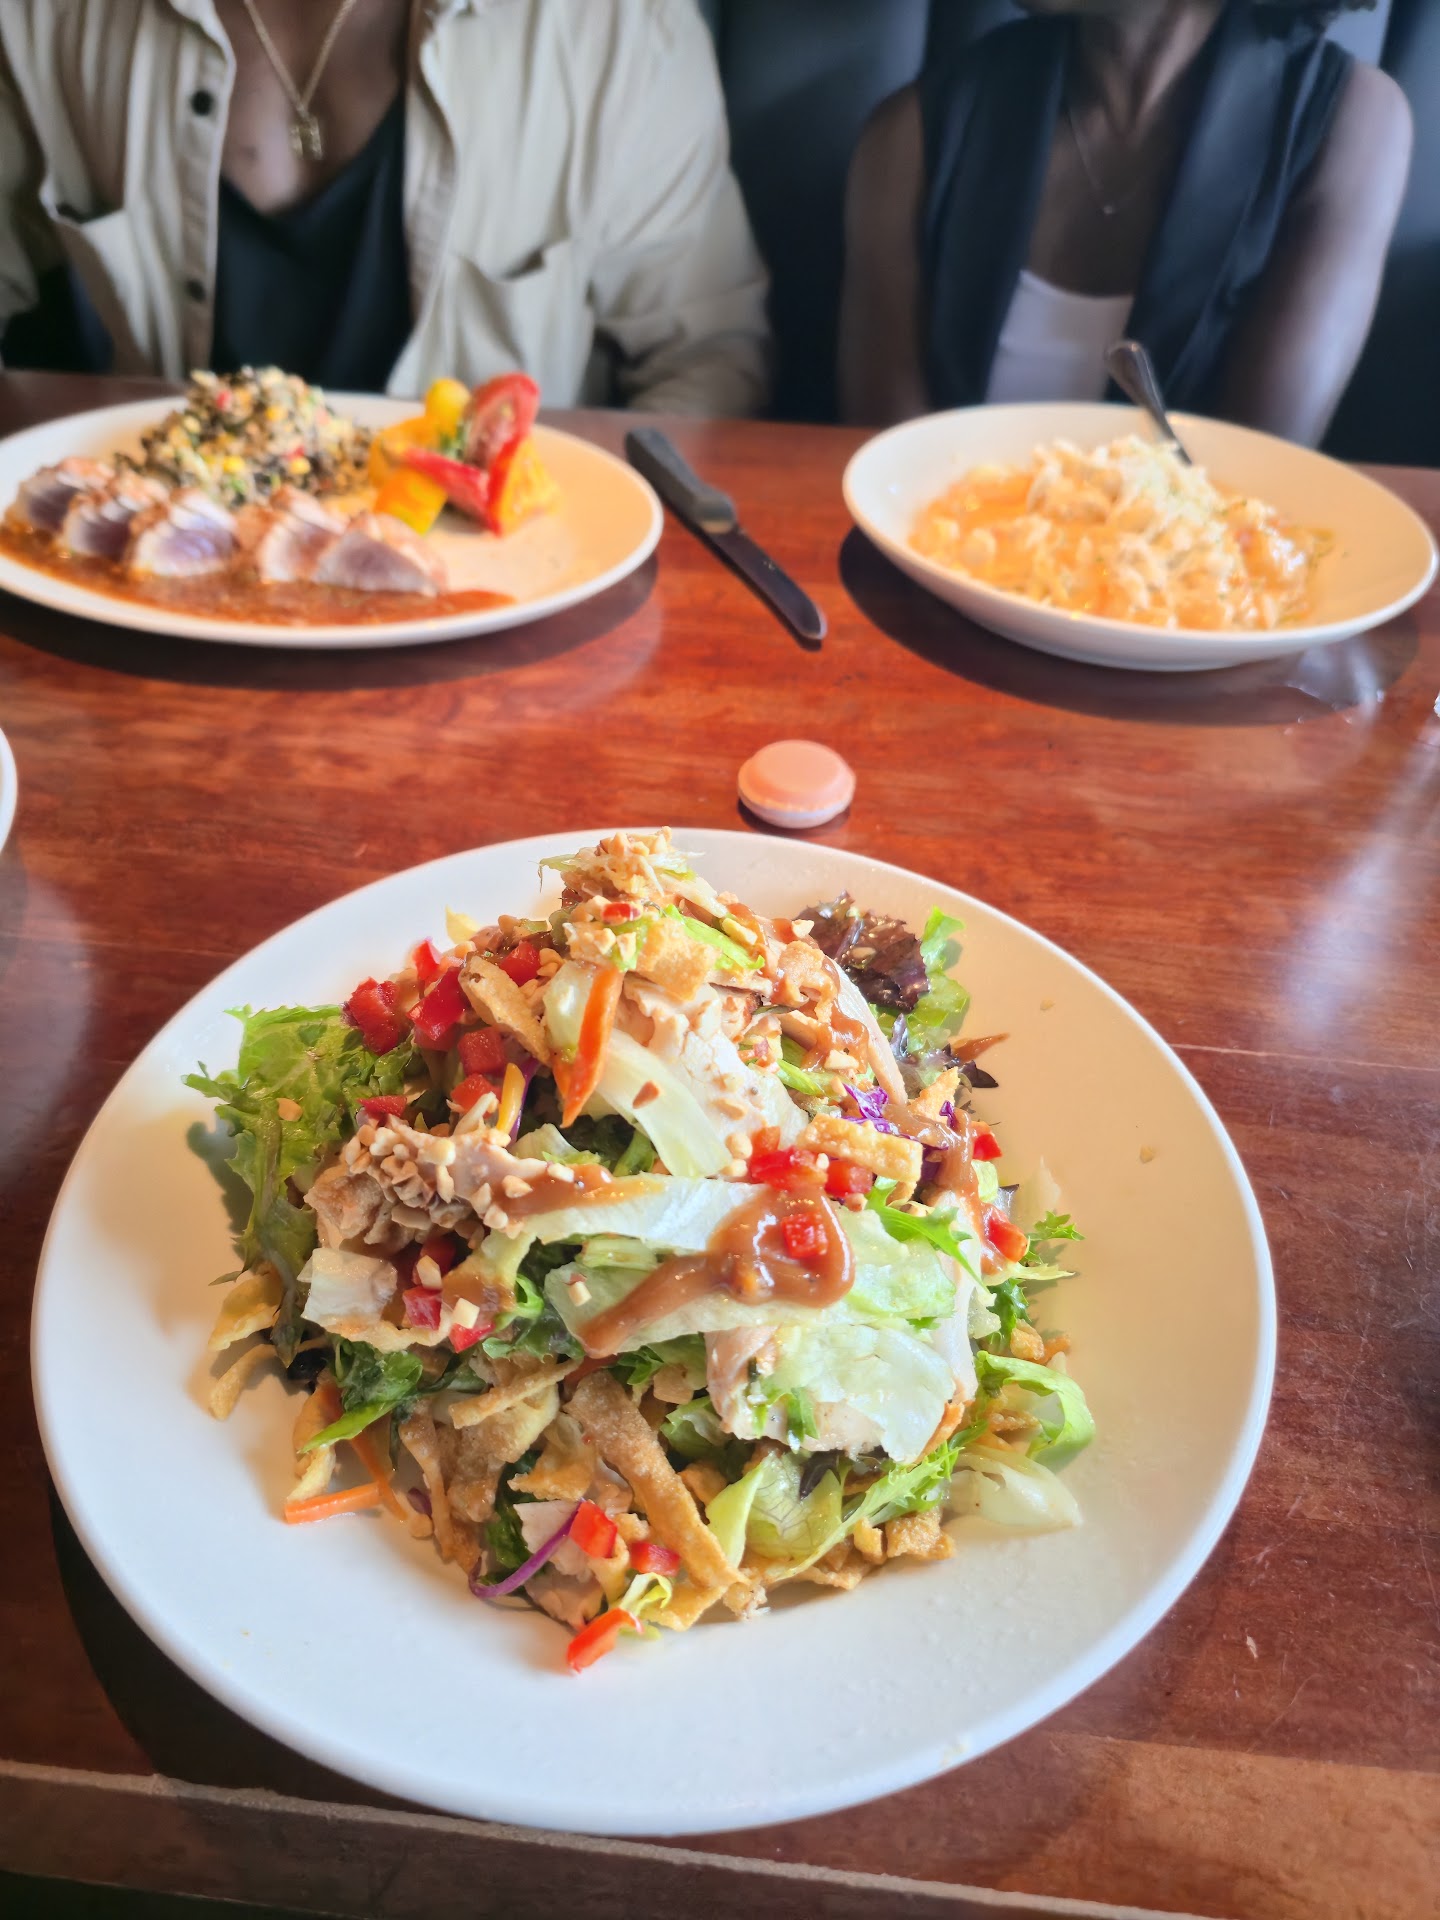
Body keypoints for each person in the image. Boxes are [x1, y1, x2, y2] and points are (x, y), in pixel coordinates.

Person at [0, 0, 770, 415]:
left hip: (503, 601)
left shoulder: (621, 27)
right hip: (162, 590)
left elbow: (707, 359)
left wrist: (575, 541)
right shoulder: (44, 19)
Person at [839, 0, 1412, 445]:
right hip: (939, 561)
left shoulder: (1349, 125)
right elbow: (888, 472)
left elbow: (1252, 479)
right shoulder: (912, 134)